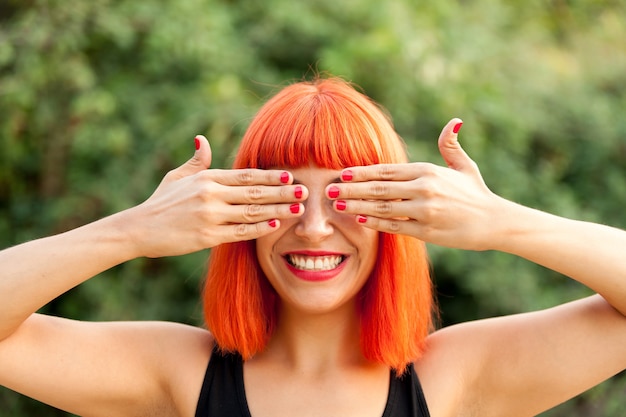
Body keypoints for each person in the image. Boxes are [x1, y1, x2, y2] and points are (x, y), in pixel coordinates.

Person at [1, 76, 625, 417]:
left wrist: (500, 222)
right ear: (239, 214)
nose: (316, 228)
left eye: (351, 199)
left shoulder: (456, 377)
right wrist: (131, 230)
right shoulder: (180, 375)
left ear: (397, 214)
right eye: (286, 200)